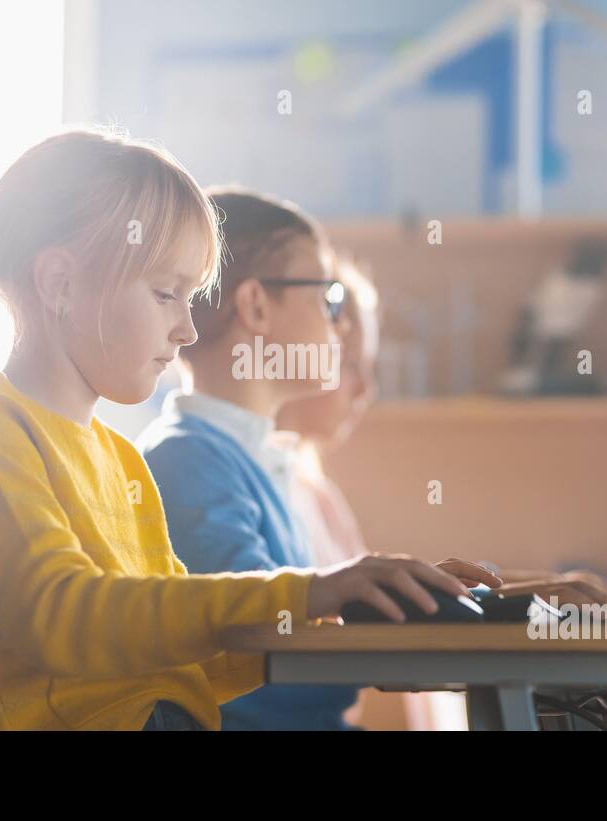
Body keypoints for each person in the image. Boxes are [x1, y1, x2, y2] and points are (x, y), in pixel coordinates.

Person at [0, 129, 477, 731]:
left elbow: (187, 656)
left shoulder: (119, 460)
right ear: (60, 283)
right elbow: (64, 618)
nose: (188, 330)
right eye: (166, 294)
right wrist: (308, 592)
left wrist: (358, 608)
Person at [138, 187, 501, 730]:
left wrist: (426, 597)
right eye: (328, 297)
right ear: (256, 305)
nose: (343, 324)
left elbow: (287, 619)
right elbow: (256, 646)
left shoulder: (253, 461)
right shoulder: (189, 460)